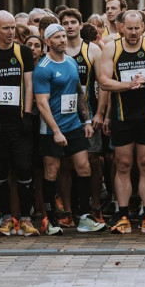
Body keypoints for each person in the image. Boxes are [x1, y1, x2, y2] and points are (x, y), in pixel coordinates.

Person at [95, 10, 145, 234]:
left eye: (138, 28)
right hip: (121, 116)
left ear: (143, 27)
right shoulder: (111, 47)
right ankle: (123, 213)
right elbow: (104, 82)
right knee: (123, 164)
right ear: (121, 28)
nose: (134, 33)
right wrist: (128, 85)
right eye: (130, 28)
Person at [34, 23, 106, 235]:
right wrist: (56, 131)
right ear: (47, 41)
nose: (63, 40)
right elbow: (42, 103)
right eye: (57, 37)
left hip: (74, 124)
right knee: (52, 171)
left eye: (64, 36)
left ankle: (84, 217)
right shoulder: (43, 68)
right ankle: (51, 219)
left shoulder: (72, 63)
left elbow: (79, 93)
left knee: (84, 167)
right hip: (51, 128)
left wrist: (86, 120)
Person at [0, 11, 37, 237]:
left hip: (20, 121)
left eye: (13, 27)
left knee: (24, 169)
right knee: (0, 172)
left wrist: (28, 115)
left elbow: (28, 84)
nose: (10, 32)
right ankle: (5, 218)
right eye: (5, 28)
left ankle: (25, 218)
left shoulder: (23, 52)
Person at [60, 8, 105, 224]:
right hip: (65, 114)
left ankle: (95, 207)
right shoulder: (56, 51)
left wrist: (101, 113)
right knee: (66, 163)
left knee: (93, 161)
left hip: (89, 111)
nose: (69, 26)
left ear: (80, 25)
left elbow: (103, 84)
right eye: (65, 23)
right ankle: (68, 211)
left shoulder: (93, 50)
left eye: (72, 22)